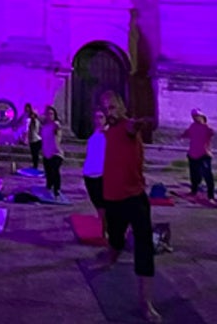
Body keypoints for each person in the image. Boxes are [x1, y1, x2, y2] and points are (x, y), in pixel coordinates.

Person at [99, 90, 161, 323]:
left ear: (123, 108)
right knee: (115, 238)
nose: (109, 111)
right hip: (112, 198)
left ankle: (146, 303)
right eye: (105, 108)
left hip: (135, 198)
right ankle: (111, 257)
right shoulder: (108, 132)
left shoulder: (127, 126)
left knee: (144, 247)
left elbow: (137, 126)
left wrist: (144, 122)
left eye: (112, 106)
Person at [82, 107, 109, 238]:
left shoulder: (108, 133)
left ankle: (105, 230)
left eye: (101, 117)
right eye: (96, 117)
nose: (98, 120)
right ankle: (104, 226)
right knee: (96, 202)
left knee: (102, 203)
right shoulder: (95, 132)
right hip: (89, 172)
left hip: (101, 172)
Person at [181, 108, 216, 202]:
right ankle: (194, 190)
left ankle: (210, 195)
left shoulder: (206, 127)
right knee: (194, 174)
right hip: (193, 153)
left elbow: (212, 133)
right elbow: (186, 134)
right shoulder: (192, 126)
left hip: (204, 154)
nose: (195, 118)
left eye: (197, 116)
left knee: (207, 175)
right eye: (194, 117)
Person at [41, 105, 67, 201]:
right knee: (48, 172)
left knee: (55, 171)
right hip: (47, 153)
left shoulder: (55, 125)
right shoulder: (45, 127)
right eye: (48, 114)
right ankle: (49, 187)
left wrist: (56, 126)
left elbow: (57, 127)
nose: (49, 116)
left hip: (56, 153)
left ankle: (57, 190)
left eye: (51, 114)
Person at [24, 103, 42, 170]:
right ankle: (34, 165)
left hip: (36, 140)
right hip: (32, 140)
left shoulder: (35, 121)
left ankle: (35, 166)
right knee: (33, 154)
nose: (31, 116)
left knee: (35, 154)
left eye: (33, 115)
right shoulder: (30, 121)